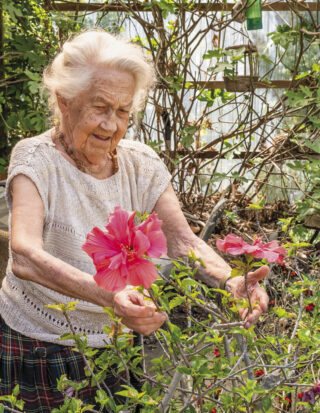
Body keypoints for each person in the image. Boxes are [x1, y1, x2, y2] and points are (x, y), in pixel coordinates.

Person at [0, 29, 269, 411]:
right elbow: (24, 255)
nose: (112, 124)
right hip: (43, 346)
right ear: (64, 101)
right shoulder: (35, 159)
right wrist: (111, 298)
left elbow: (183, 241)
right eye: (99, 107)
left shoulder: (139, 163)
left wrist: (230, 280)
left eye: (123, 111)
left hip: (118, 342)